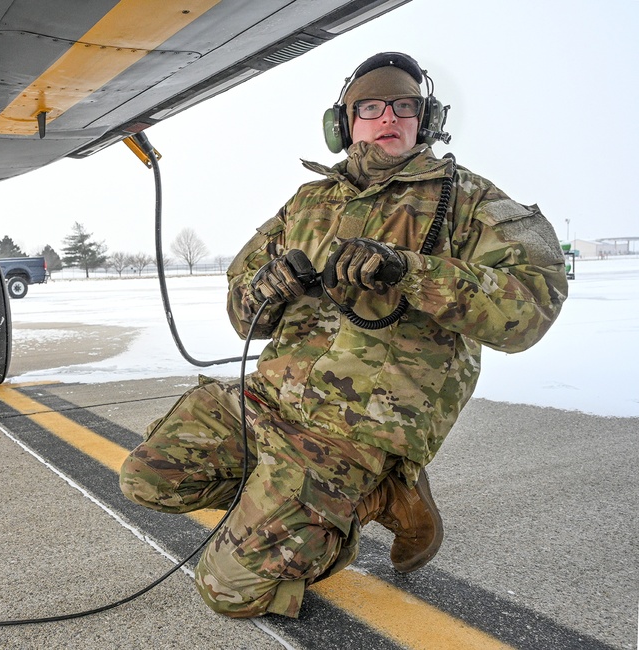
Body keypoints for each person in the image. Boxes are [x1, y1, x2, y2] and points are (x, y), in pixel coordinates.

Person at [119, 52, 567, 619]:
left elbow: (531, 308)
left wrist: (408, 272)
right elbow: (240, 307)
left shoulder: (469, 200)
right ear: (344, 124)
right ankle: (299, 498)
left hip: (354, 429)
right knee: (148, 480)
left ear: (425, 120)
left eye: (405, 106)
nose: (389, 118)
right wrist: (265, 290)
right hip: (268, 399)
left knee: (231, 592)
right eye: (371, 108)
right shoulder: (308, 203)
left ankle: (374, 491)